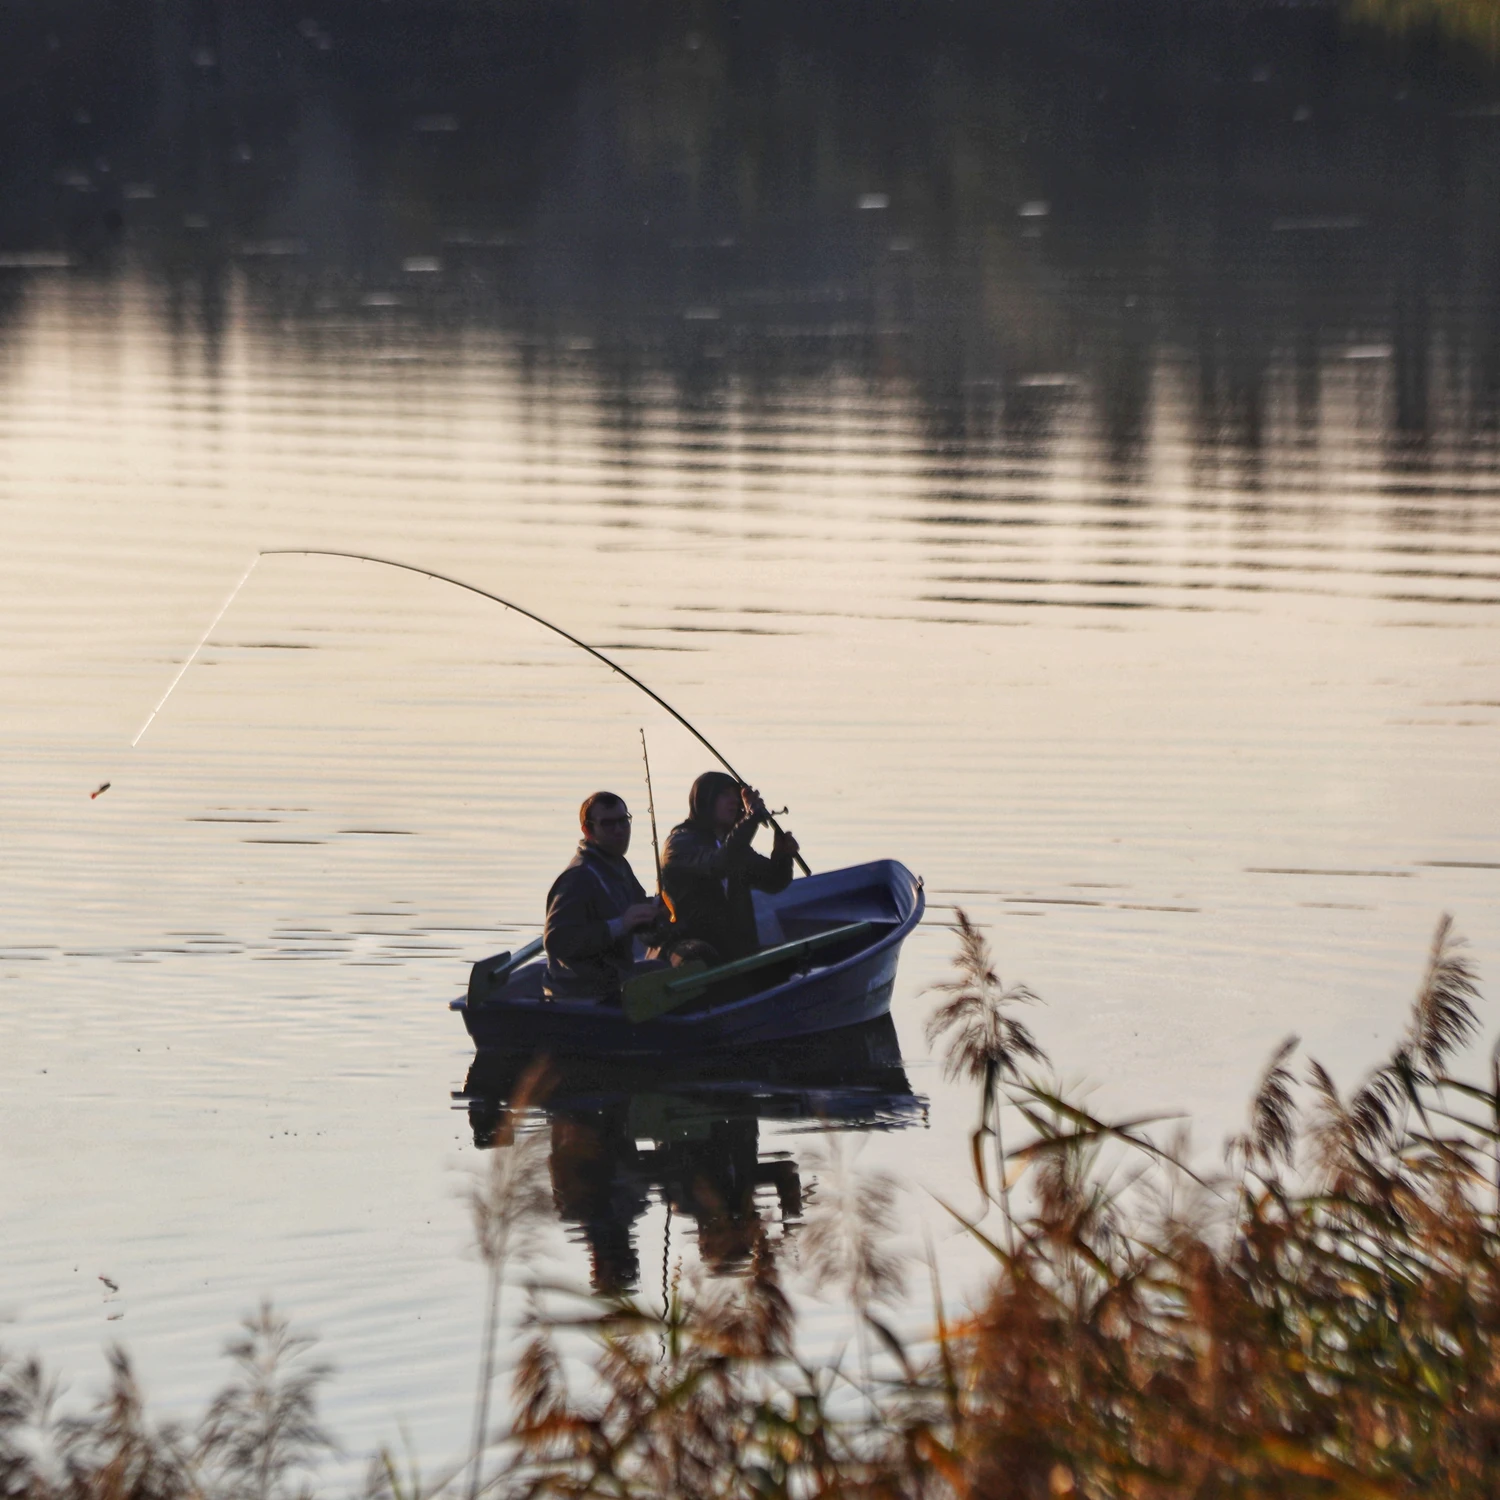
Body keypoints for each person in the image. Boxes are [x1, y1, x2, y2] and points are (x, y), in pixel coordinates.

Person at [660, 771, 799, 963]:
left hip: (739, 952)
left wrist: (781, 856)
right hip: (696, 953)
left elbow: (773, 881)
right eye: (724, 794)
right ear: (704, 800)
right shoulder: (679, 843)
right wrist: (751, 819)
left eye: (736, 795)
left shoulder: (730, 844)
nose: (734, 801)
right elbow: (718, 865)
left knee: (794, 960)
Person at [543, 791, 661, 1002]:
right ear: (588, 830)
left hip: (614, 979)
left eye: (623, 821)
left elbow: (637, 906)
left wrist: (658, 908)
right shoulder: (578, 877)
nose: (619, 830)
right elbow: (556, 940)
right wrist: (620, 925)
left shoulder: (618, 864)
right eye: (608, 824)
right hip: (581, 991)